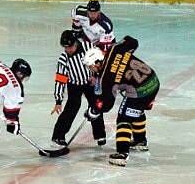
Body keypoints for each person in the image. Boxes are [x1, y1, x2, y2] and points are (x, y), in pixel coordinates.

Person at [83, 36, 160, 167]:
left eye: (91, 67)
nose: (91, 70)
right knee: (136, 111)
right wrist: (118, 48)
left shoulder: (106, 78)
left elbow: (107, 103)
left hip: (140, 91)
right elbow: (132, 41)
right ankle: (140, 141)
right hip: (153, 81)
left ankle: (122, 154)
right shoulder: (115, 49)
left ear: (97, 63)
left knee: (124, 118)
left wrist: (94, 110)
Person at [51, 30, 106, 147]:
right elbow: (60, 80)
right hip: (74, 84)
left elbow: (100, 64)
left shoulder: (88, 47)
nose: (68, 50)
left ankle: (100, 134)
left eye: (70, 47)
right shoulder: (63, 59)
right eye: (65, 47)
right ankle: (58, 136)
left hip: (89, 83)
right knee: (72, 108)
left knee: (95, 106)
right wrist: (58, 101)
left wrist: (95, 76)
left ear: (76, 43)